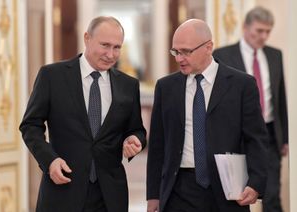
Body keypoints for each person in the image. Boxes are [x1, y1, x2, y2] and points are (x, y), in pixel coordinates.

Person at [20, 16, 146, 212]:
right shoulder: (52, 76)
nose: (111, 54)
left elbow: (136, 129)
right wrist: (49, 160)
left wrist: (134, 140)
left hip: (110, 196)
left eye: (117, 47)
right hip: (63, 189)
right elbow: (30, 126)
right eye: (105, 45)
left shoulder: (128, 85)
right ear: (87, 38)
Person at [146, 19, 268, 212]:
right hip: (178, 189)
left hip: (227, 190)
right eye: (176, 52)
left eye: (186, 51)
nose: (179, 58)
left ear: (208, 47)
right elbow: (157, 146)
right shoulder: (166, 87)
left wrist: (255, 183)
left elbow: (257, 139)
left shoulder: (241, 85)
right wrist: (153, 195)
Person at [213, 7, 288, 212]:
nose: (264, 36)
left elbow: (280, 97)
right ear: (246, 28)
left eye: (268, 31)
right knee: (234, 196)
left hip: (270, 136)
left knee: (272, 195)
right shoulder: (223, 55)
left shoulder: (275, 55)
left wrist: (286, 138)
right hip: (237, 136)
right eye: (259, 30)